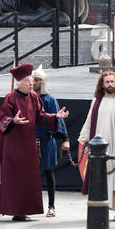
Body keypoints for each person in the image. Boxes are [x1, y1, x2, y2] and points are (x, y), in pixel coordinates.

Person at [0, 63, 69, 222]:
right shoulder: (10, 98)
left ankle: (20, 212)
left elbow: (41, 117)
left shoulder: (34, 98)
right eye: (29, 81)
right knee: (4, 177)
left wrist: (55, 117)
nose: (32, 84)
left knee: (25, 178)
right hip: (11, 145)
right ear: (20, 82)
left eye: (32, 81)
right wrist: (13, 121)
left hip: (27, 145)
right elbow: (3, 121)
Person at [78, 71, 115, 222]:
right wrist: (85, 142)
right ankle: (100, 209)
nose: (110, 84)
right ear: (102, 84)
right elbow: (89, 122)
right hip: (99, 148)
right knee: (99, 178)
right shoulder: (96, 101)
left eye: (112, 81)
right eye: (107, 82)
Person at [32, 65, 70, 218]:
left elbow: (58, 119)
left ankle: (51, 206)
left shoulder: (49, 99)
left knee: (49, 173)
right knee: (29, 176)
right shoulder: (28, 99)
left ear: (42, 82)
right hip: (30, 142)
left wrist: (65, 139)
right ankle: (29, 206)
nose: (33, 82)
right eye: (32, 79)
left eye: (36, 80)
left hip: (47, 141)